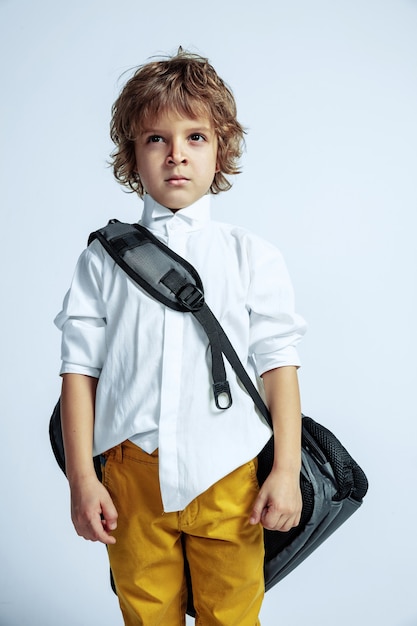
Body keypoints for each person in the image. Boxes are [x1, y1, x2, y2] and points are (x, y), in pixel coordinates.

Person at [55, 49, 307, 626]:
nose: (176, 155)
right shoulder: (103, 260)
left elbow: (279, 366)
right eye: (155, 139)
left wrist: (285, 470)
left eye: (195, 137)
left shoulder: (251, 256)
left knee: (233, 617)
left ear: (221, 149)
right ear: (131, 155)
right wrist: (83, 480)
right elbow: (78, 371)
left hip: (230, 476)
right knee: (145, 617)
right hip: (130, 477)